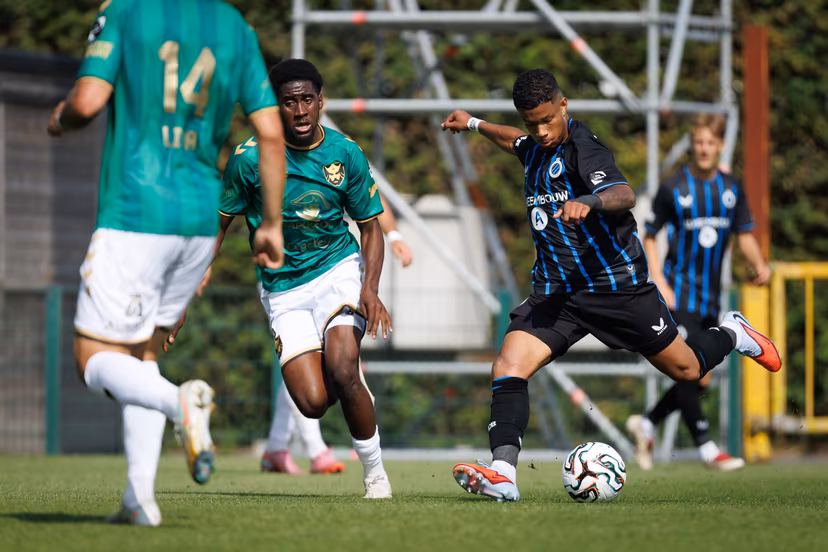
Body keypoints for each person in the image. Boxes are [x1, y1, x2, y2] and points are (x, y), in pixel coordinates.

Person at [439, 69, 781, 502]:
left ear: (564, 105)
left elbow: (623, 193)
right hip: (559, 294)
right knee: (508, 366)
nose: (541, 132)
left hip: (616, 288)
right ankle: (503, 472)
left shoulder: (584, 148)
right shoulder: (535, 144)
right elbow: (513, 141)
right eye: (532, 123)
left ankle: (733, 332)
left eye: (547, 120)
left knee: (688, 369)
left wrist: (589, 200)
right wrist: (472, 122)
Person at [47, 0, 286, 526]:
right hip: (199, 220)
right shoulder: (234, 26)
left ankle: (180, 402)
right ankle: (140, 501)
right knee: (140, 355)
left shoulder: (127, 12)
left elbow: (87, 103)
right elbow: (270, 133)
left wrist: (60, 119)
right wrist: (270, 222)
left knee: (93, 358)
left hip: (135, 212)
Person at [176, 58, 393, 498]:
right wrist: (186, 288)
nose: (299, 111)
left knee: (343, 364)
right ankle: (347, 382)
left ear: (320, 101)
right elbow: (218, 225)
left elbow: (371, 227)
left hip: (338, 270)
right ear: (275, 107)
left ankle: (374, 475)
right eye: (289, 102)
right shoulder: (249, 160)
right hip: (283, 287)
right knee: (312, 404)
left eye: (307, 100)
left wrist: (370, 289)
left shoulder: (344, 153)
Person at [625, 115, 771, 471]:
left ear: (720, 145)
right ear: (693, 145)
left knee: (701, 377)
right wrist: (658, 277)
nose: (704, 149)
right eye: (699, 143)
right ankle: (708, 448)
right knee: (686, 368)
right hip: (678, 295)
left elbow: (745, 234)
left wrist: (760, 266)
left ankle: (646, 423)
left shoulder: (731, 189)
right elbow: (650, 234)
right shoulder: (674, 186)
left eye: (710, 143)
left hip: (709, 299)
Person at [260, 195, 413, 475]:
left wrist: (393, 236)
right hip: (284, 280)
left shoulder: (344, 153)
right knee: (307, 386)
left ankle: (308, 449)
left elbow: (375, 204)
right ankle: (281, 446)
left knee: (336, 367)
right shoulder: (259, 159)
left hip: (336, 272)